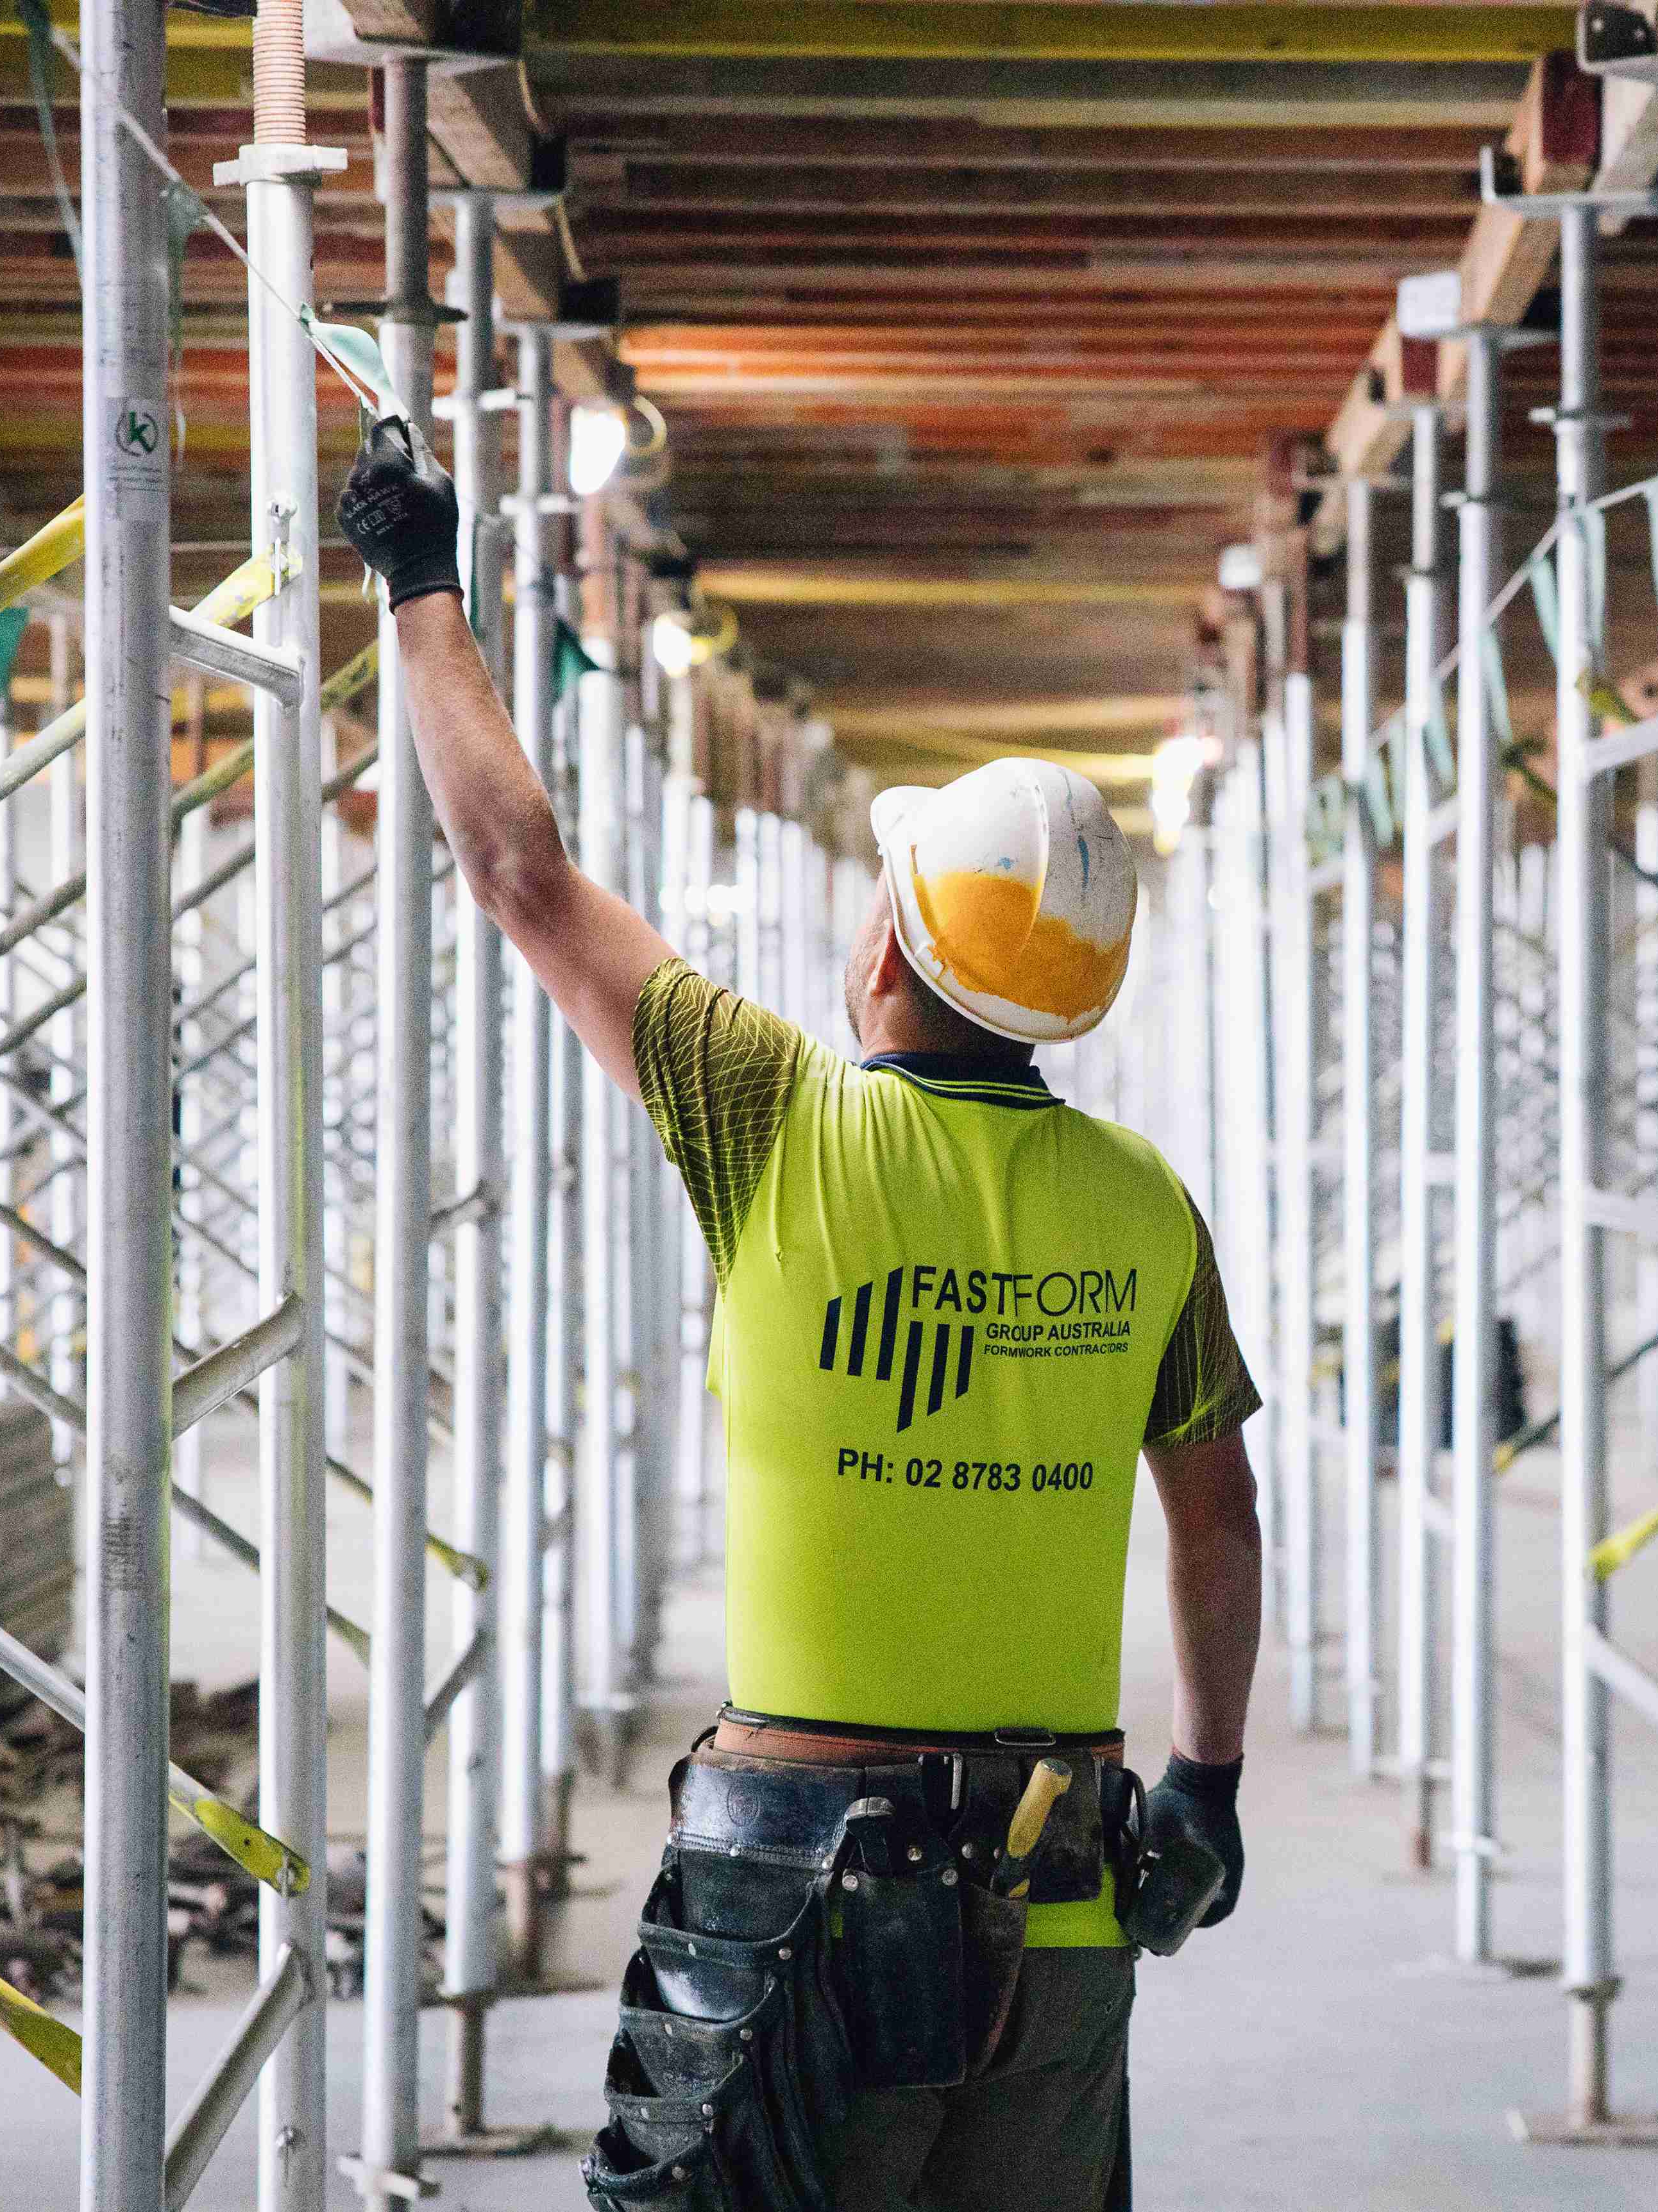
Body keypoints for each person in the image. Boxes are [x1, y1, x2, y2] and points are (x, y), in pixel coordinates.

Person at [341, 419, 1262, 2212]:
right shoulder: (1150, 1209)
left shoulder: (776, 1119)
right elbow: (1215, 1515)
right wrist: (1206, 1787)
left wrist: (417, 584)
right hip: (1064, 1897)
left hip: (798, 1914)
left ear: (890, 954)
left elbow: (521, 871)